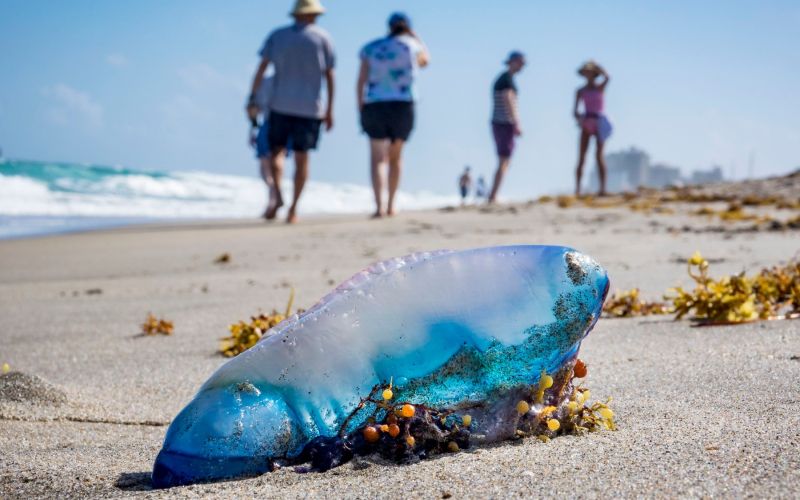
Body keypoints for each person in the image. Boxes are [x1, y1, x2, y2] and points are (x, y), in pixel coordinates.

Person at [249, 0, 335, 224]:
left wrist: (253, 98)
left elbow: (261, 69)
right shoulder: (323, 38)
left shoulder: (277, 36)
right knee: (302, 158)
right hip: (310, 108)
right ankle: (293, 209)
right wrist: (330, 109)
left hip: (279, 105)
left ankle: (278, 194)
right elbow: (329, 76)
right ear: (313, 15)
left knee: (275, 153)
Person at [357, 12, 430, 218]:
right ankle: (391, 205)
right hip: (402, 104)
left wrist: (360, 107)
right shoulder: (411, 46)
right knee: (396, 157)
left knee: (378, 157)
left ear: (389, 27)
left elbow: (361, 80)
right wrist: (416, 36)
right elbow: (426, 60)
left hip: (375, 103)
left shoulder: (371, 47)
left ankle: (379, 206)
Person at [488, 51, 525, 204]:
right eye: (521, 62)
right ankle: (493, 195)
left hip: (500, 122)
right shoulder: (506, 79)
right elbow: (508, 97)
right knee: (504, 159)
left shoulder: (505, 78)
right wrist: (516, 122)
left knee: (504, 159)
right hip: (504, 123)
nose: (522, 66)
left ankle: (493, 194)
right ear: (512, 62)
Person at [573, 60, 612, 196]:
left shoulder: (600, 88)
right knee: (581, 157)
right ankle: (577, 189)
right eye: (586, 71)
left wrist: (598, 66)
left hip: (599, 123)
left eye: (590, 71)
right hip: (586, 122)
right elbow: (575, 111)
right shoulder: (580, 91)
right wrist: (580, 119)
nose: (587, 74)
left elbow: (608, 77)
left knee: (599, 156)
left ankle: (603, 189)